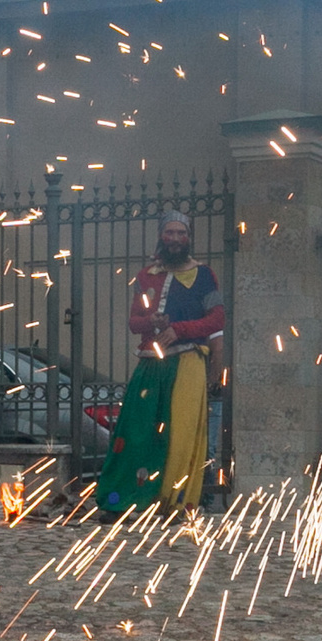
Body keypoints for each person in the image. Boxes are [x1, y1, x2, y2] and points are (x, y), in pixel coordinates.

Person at [98, 210, 228, 514]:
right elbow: (133, 322)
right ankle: (123, 501)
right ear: (161, 236)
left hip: (188, 363)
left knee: (179, 434)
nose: (175, 238)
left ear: (188, 238)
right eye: (169, 233)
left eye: (181, 233)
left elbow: (217, 318)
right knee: (136, 430)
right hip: (150, 362)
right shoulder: (146, 276)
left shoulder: (205, 275)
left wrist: (179, 330)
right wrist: (149, 320)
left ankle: (172, 504)